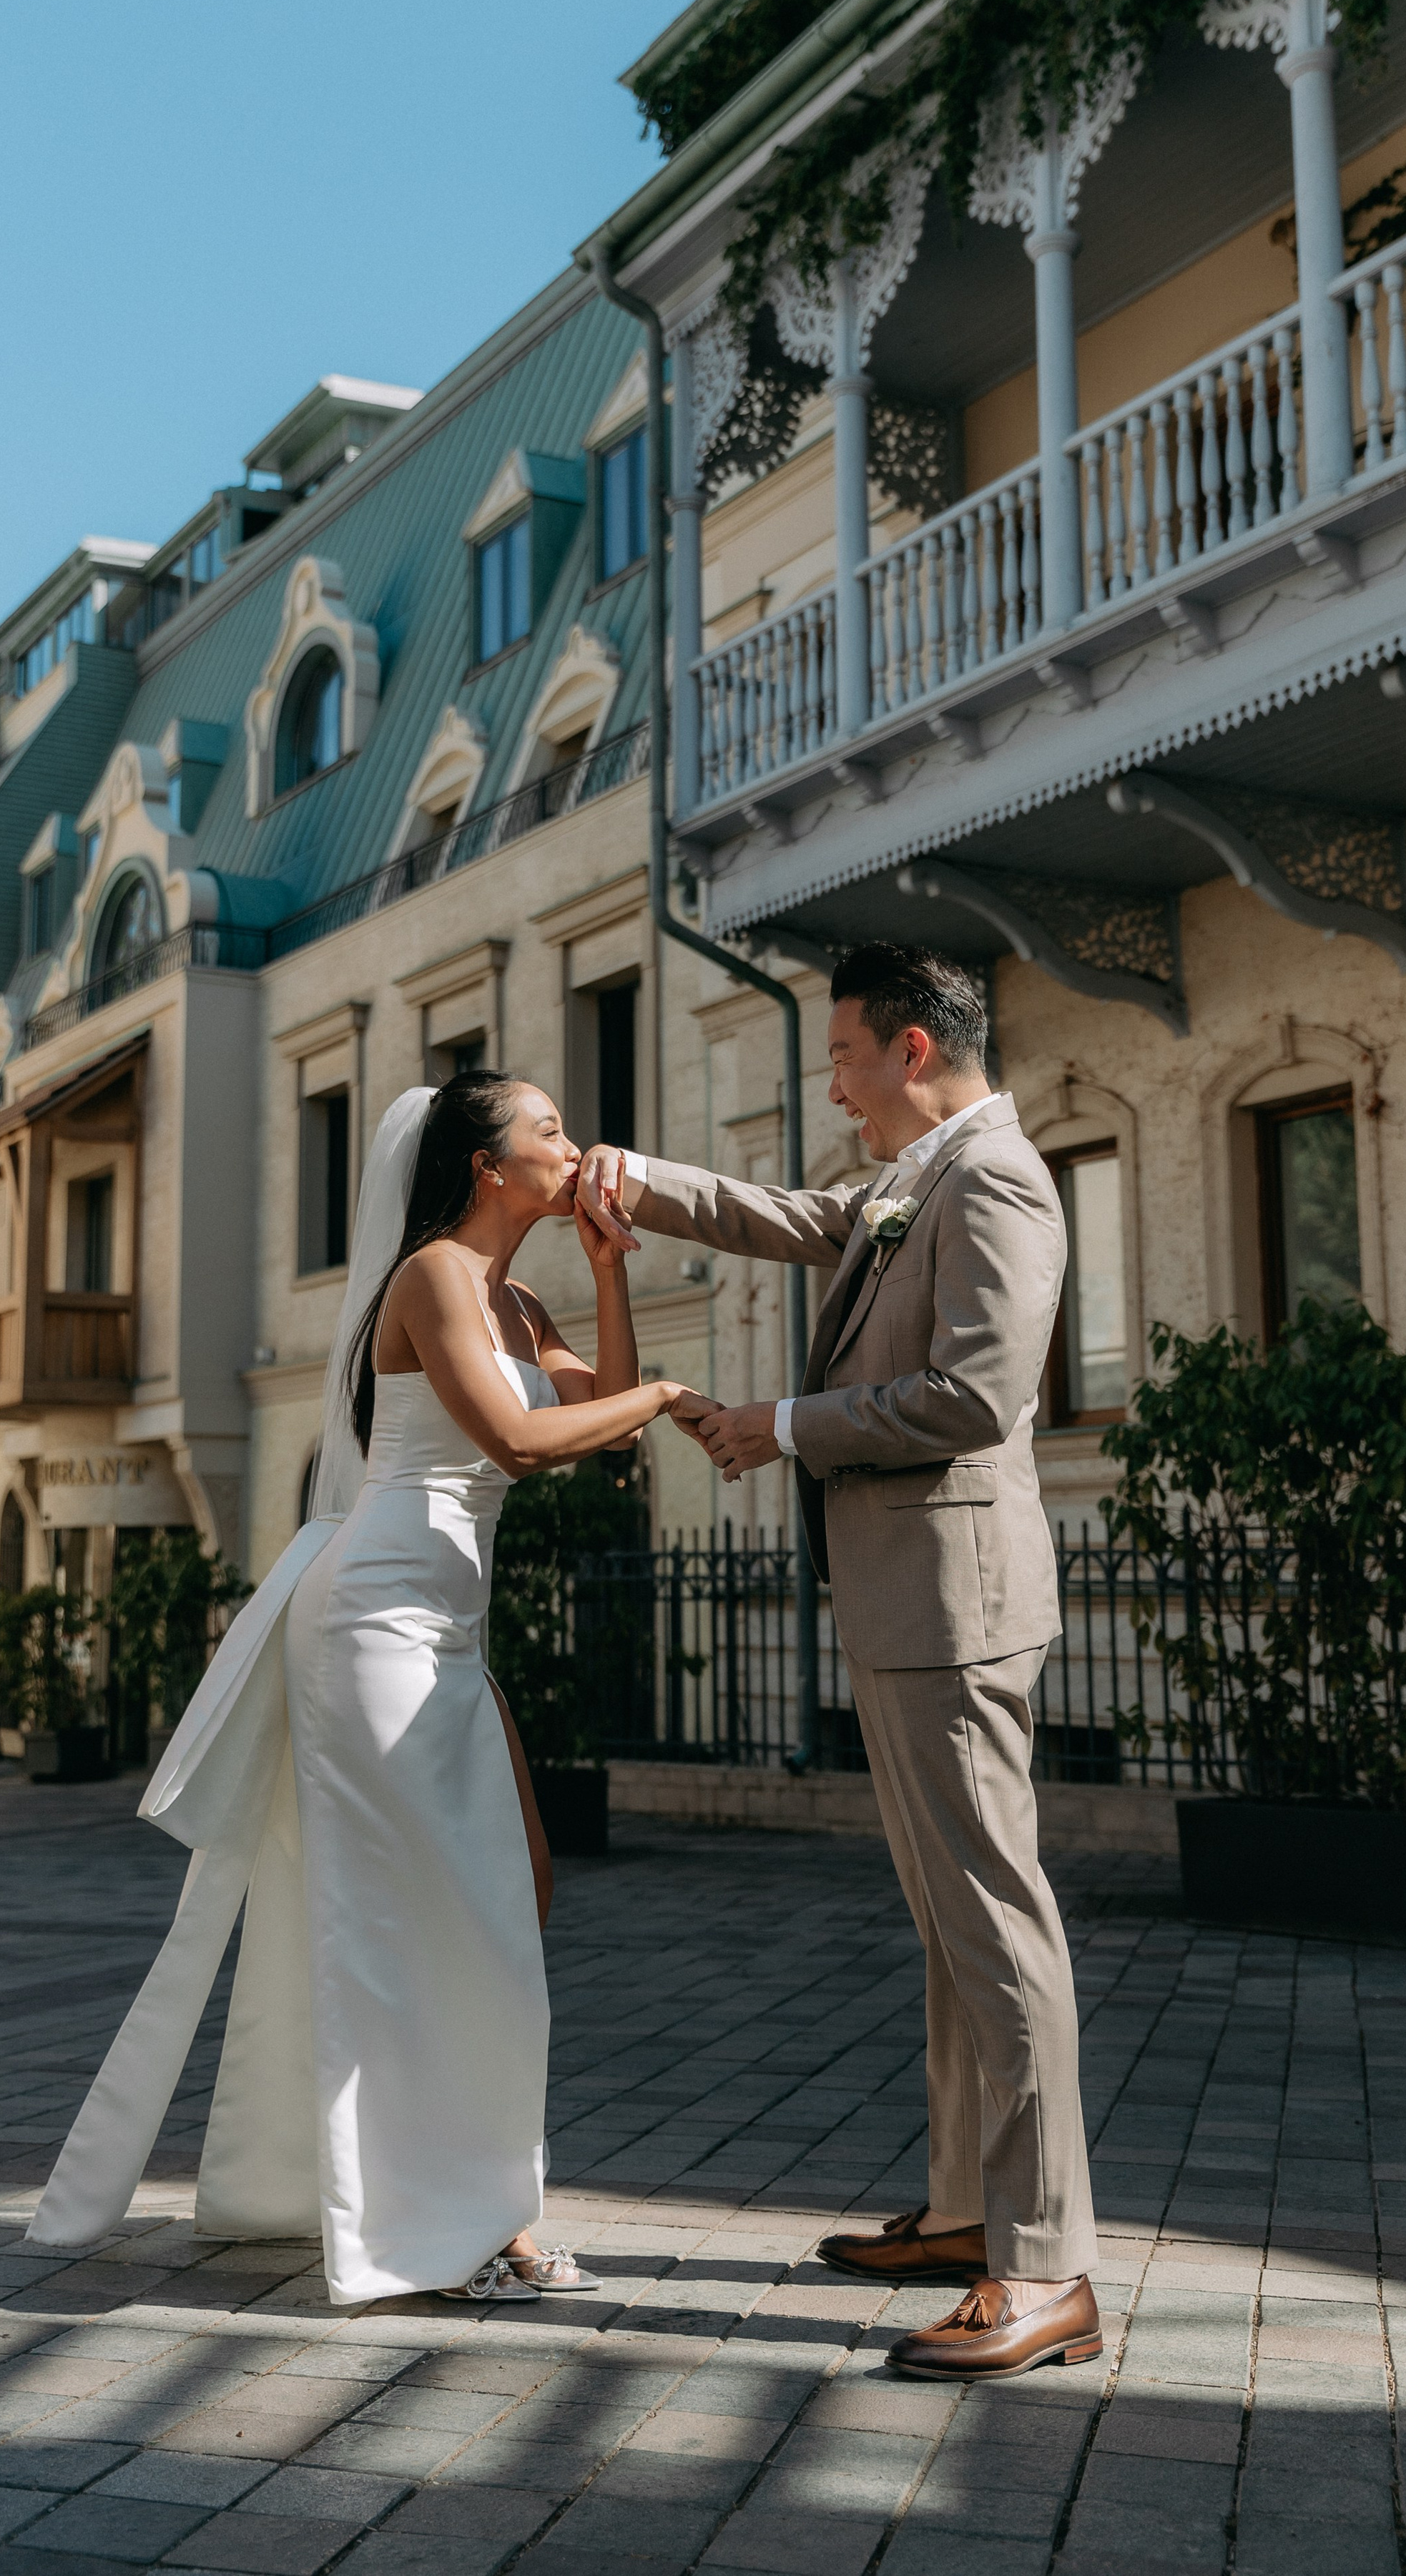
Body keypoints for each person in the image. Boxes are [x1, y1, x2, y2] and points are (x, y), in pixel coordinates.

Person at [31, 1073, 704, 2308]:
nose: (574, 1140)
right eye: (547, 1128)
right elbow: (518, 1441)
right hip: (372, 1620)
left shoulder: (515, 1290)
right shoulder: (435, 1275)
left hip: (444, 1623)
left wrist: (613, 1274)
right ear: (486, 1167)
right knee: (431, 1915)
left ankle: (466, 2198)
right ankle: (444, 2224)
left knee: (519, 1892)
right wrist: (663, 1396)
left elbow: (594, 1419)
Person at [579, 943, 1101, 2381]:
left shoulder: (990, 1179)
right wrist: (637, 1175)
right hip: (902, 1602)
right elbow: (802, 1217)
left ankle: (1046, 2262)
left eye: (844, 1056)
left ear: (914, 1049)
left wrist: (783, 1425)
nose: (835, 1083)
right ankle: (957, 2211)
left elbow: (974, 1394)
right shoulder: (909, 1178)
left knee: (997, 1923)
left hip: (953, 1607)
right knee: (949, 1926)